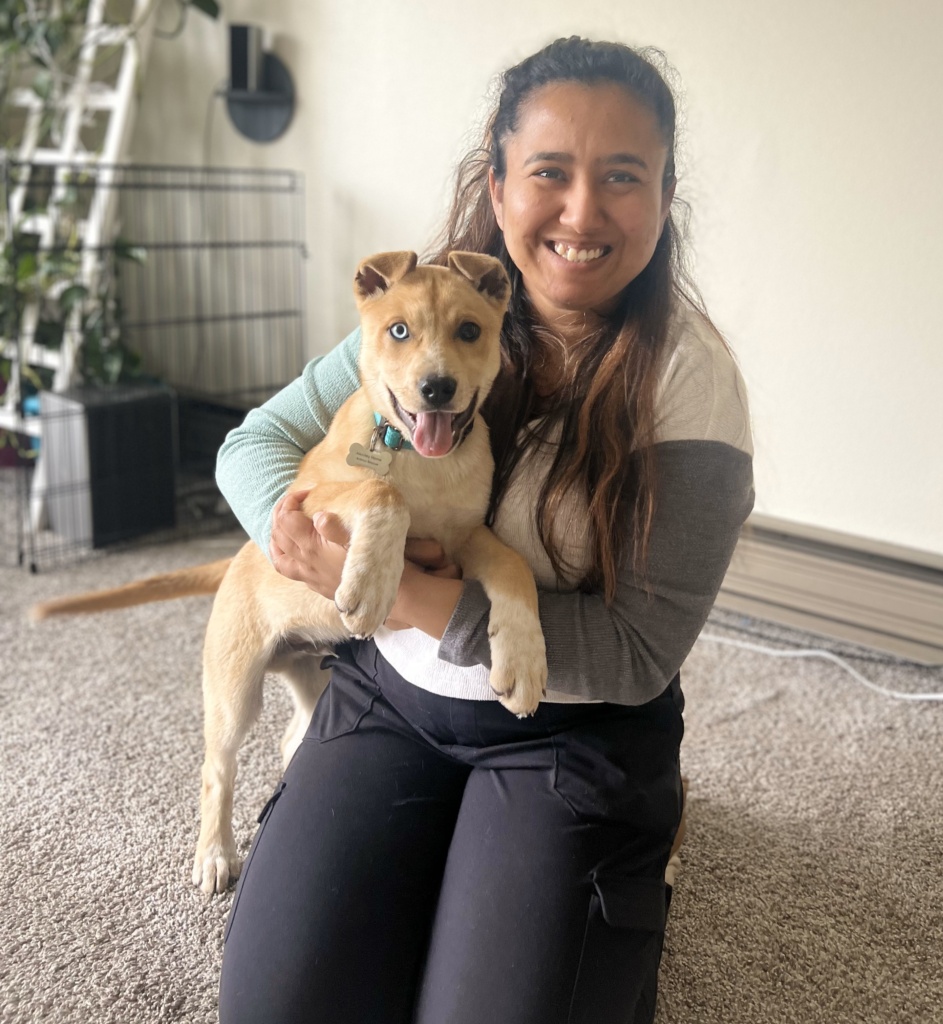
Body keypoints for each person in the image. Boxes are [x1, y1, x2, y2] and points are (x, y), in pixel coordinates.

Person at [215, 35, 753, 1024]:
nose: (582, 212)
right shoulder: (423, 315)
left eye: (621, 177)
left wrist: (413, 594)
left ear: (664, 195)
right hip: (393, 698)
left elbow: (637, 652)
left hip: (570, 729)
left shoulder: (688, 384)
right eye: (549, 172)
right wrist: (290, 533)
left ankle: (613, 848)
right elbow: (258, 444)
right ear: (497, 186)